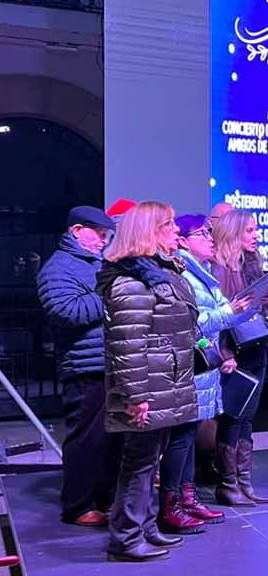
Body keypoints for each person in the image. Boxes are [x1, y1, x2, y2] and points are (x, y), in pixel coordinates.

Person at [97, 201, 199, 562]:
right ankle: (126, 537)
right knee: (138, 463)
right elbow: (128, 346)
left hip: (165, 380)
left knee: (148, 462)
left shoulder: (160, 272)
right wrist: (136, 396)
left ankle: (146, 528)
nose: (176, 231)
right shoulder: (131, 282)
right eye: (168, 225)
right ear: (148, 233)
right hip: (148, 388)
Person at [158, 215, 250, 533]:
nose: (211, 238)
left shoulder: (201, 271)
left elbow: (221, 317)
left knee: (189, 435)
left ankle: (187, 497)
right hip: (189, 364)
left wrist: (244, 309)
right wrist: (229, 312)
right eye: (202, 233)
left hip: (203, 361)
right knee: (181, 437)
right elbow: (194, 322)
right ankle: (171, 505)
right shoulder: (182, 273)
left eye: (210, 233)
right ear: (182, 240)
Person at [37, 206, 122, 527]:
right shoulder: (57, 269)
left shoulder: (97, 264)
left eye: (106, 236)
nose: (104, 241)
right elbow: (67, 312)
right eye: (99, 234)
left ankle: (106, 497)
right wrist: (110, 293)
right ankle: (78, 505)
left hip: (110, 362)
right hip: (84, 367)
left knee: (113, 438)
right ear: (76, 231)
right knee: (87, 439)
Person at [211, 210, 268, 505]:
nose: (255, 236)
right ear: (233, 233)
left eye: (255, 230)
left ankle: (244, 481)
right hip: (234, 354)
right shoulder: (218, 269)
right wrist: (223, 353)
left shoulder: (253, 265)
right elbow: (218, 318)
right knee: (233, 417)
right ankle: (228, 484)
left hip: (256, 348)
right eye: (249, 231)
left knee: (247, 418)